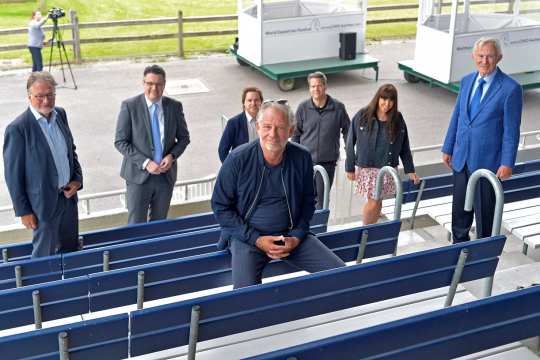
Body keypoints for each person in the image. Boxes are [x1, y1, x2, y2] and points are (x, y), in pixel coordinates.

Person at [211, 100, 346, 289]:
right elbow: (220, 206)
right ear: (258, 128)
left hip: (290, 237)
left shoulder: (302, 157)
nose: (272, 134)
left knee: (341, 274)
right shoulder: (237, 159)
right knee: (244, 295)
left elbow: (309, 202)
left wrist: (296, 236)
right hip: (247, 239)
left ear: (290, 131)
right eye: (267, 127)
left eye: (280, 128)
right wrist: (256, 239)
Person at [442, 37, 522, 243]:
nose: (484, 61)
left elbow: (511, 131)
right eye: (480, 56)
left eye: (489, 56)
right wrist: (448, 147)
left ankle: (481, 262)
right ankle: (459, 255)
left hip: (488, 163)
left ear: (499, 58)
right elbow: (458, 116)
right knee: (459, 216)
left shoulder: (510, 89)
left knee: (485, 218)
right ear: (473, 57)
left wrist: (507, 163)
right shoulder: (467, 80)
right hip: (461, 159)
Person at [3, 72, 83, 257]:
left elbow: (71, 151)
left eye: (50, 95)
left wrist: (77, 180)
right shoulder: (18, 129)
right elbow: (13, 176)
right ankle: (42, 287)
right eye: (40, 96)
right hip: (42, 208)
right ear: (29, 96)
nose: (46, 101)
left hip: (68, 199)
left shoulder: (60, 115)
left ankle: (69, 286)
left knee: (71, 252)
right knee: (43, 258)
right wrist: (24, 211)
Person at [115, 65, 190, 224]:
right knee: (136, 225)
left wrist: (172, 156)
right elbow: (120, 141)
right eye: (149, 83)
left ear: (164, 85)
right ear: (143, 83)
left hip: (165, 178)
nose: (154, 88)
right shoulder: (130, 106)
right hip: (138, 177)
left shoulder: (174, 107)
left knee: (159, 224)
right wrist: (146, 162)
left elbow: (184, 138)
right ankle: (136, 250)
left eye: (158, 84)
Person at [345, 84, 419, 225]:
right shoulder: (363, 115)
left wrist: (410, 170)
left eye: (391, 100)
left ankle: (370, 231)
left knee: (378, 201)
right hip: (368, 168)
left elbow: (404, 146)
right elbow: (350, 141)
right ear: (377, 98)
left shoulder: (397, 119)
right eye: (384, 99)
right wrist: (349, 167)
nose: (387, 103)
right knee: (373, 201)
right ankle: (364, 231)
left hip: (387, 168)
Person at [292, 71, 350, 209]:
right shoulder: (303, 108)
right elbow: (296, 134)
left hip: (327, 163)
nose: (316, 89)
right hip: (305, 162)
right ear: (309, 88)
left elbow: (348, 132)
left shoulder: (338, 108)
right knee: (304, 198)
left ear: (325, 86)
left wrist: (350, 156)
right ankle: (305, 228)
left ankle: (319, 230)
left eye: (319, 85)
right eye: (312, 86)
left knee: (322, 200)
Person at [218, 87, 263, 163]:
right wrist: (230, 169)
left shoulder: (266, 121)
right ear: (244, 103)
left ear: (261, 102)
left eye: (256, 100)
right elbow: (222, 150)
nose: (253, 103)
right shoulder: (233, 123)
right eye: (249, 100)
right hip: (243, 166)